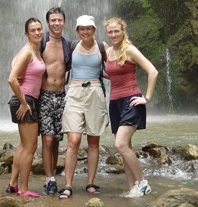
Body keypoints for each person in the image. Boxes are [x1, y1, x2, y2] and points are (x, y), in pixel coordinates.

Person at [104, 17, 158, 198]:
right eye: (110, 32)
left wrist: (147, 97)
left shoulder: (130, 49)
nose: (113, 34)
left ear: (123, 31)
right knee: (125, 146)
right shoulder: (109, 51)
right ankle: (132, 188)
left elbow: (153, 71)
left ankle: (142, 182)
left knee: (120, 144)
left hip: (131, 100)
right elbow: (112, 75)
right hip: (114, 103)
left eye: (116, 31)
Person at [58, 15, 109, 199]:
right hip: (74, 92)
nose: (85, 31)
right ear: (77, 30)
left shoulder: (103, 47)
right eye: (82, 28)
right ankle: (68, 185)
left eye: (88, 28)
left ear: (94, 30)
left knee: (94, 142)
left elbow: (113, 68)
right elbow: (56, 66)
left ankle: (90, 183)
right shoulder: (71, 46)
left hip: (95, 91)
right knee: (73, 140)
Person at [6, 17, 45, 198]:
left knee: (23, 145)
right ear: (26, 33)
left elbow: (13, 64)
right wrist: (23, 102)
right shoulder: (28, 51)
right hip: (25, 100)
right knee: (31, 147)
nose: (37, 33)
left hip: (28, 99)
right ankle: (24, 188)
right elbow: (11, 78)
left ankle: (13, 184)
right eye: (33, 30)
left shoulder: (33, 51)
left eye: (39, 29)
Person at [38, 7, 72, 195]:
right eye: (53, 20)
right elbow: (24, 59)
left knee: (57, 140)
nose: (56, 23)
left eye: (59, 20)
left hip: (62, 96)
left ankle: (53, 175)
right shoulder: (41, 42)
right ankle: (49, 179)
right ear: (48, 22)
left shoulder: (69, 44)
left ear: (64, 22)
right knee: (48, 139)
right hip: (45, 96)